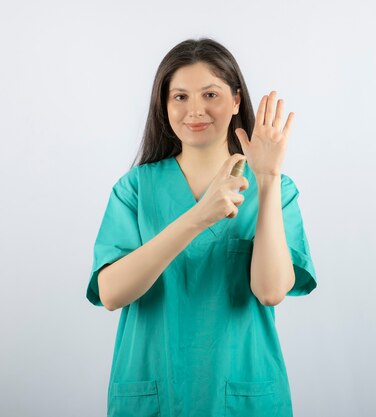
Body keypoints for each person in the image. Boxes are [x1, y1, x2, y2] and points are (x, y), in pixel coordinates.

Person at [86, 37, 317, 417]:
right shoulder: (136, 189)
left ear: (237, 100)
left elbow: (271, 290)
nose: (195, 110)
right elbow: (111, 293)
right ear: (164, 105)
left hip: (243, 397)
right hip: (155, 393)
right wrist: (198, 216)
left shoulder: (275, 189)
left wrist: (269, 176)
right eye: (180, 97)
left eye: (211, 94)